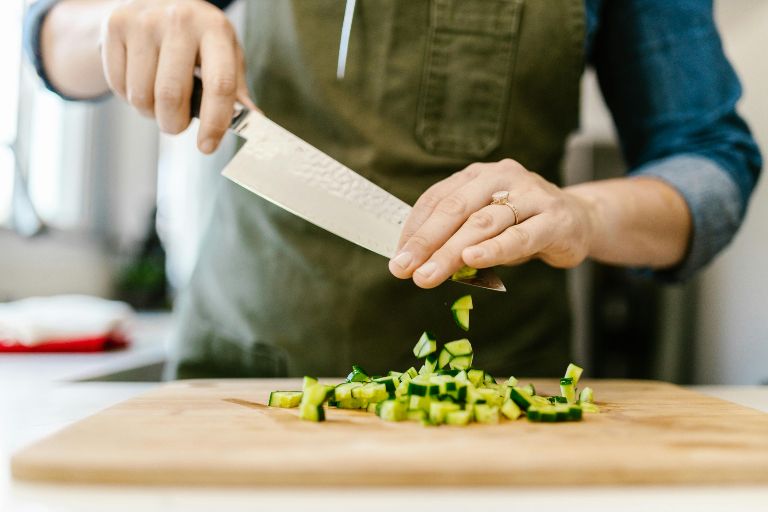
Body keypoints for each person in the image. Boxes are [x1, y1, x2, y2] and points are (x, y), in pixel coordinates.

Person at [24, 0, 762, 378]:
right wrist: (117, 25)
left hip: (499, 399)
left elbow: (709, 158)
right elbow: (52, 36)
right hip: (240, 382)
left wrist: (583, 212)